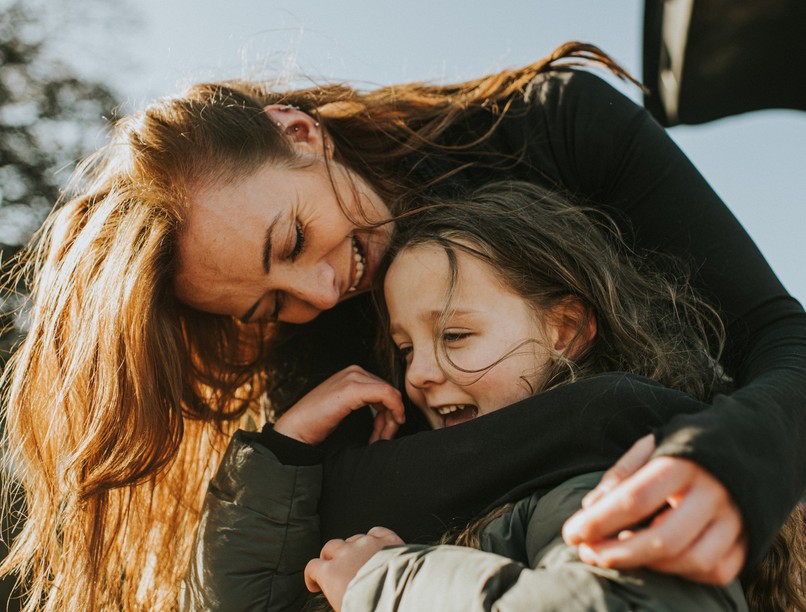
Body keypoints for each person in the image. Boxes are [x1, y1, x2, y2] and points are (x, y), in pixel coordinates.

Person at [2, 42, 805, 610]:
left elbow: (781, 339)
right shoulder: (310, 340)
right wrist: (277, 455)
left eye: (291, 240)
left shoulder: (553, 127)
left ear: (299, 133)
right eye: (267, 305)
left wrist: (724, 456)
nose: (319, 293)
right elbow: (325, 546)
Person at [193, 181, 803, 611]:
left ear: (564, 330)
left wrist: (381, 584)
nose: (419, 375)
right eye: (406, 349)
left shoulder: (607, 480)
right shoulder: (473, 503)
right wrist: (286, 451)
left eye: (455, 335)